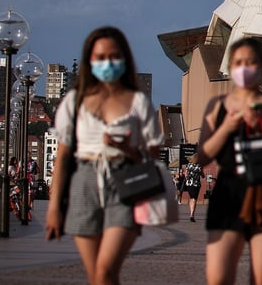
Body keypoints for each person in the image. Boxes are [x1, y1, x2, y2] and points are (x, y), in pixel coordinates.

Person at [45, 26, 163, 285]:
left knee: (106, 270)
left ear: (125, 59)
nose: (107, 63)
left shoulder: (137, 101)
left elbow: (153, 151)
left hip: (125, 181)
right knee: (96, 276)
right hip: (84, 183)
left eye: (114, 57)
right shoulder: (74, 101)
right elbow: (63, 155)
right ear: (90, 61)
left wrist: (124, 147)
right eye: (100, 58)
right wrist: (54, 207)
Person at [197, 36, 262, 285]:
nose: (244, 68)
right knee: (218, 277)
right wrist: (227, 127)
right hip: (228, 192)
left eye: (251, 63)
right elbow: (202, 156)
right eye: (239, 62)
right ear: (230, 67)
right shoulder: (217, 106)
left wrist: (259, 125)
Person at [185, 156, 203, 222]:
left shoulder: (188, 165)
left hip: (189, 184)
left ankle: (191, 213)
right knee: (194, 198)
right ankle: (192, 214)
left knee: (191, 198)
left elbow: (186, 174)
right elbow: (202, 175)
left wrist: (188, 177)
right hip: (196, 184)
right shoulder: (199, 166)